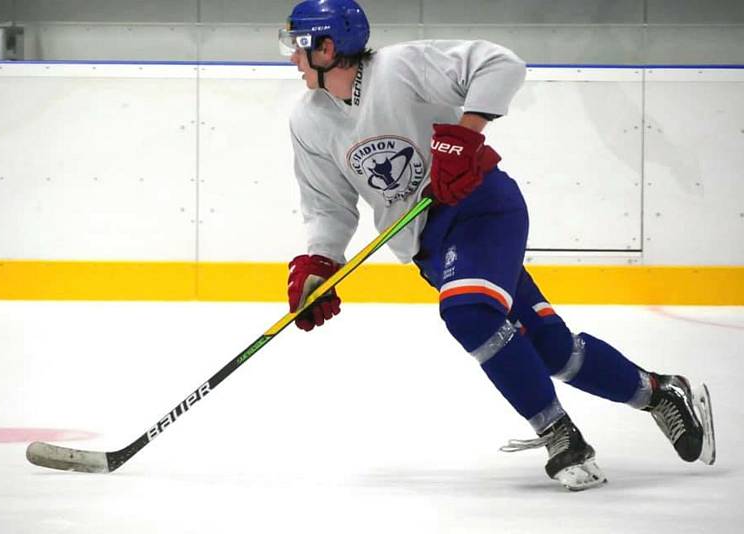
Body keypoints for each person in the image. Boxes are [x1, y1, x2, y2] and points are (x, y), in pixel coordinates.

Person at [278, 0, 715, 491]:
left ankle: (558, 435)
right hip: (429, 246)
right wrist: (320, 262)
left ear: (327, 46)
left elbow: (501, 64)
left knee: (468, 312)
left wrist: (464, 138)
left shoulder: (398, 69)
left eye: (296, 46)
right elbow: (328, 206)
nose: (292, 58)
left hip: (481, 206)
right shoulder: (308, 120)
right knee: (553, 351)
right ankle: (659, 393)